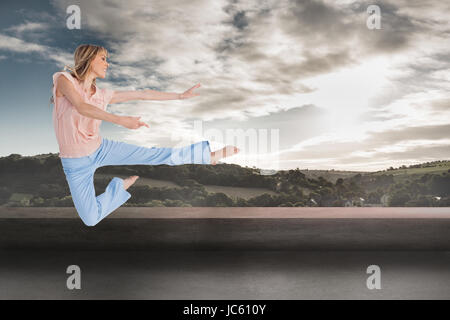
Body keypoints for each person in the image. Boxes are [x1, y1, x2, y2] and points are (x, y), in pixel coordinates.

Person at [51, 44, 240, 226]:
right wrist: (120, 120)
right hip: (75, 162)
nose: (107, 63)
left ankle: (207, 155)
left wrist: (180, 96)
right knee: (90, 219)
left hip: (101, 148)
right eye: (103, 58)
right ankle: (117, 189)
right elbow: (82, 107)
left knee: (157, 155)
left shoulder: (102, 94)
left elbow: (144, 94)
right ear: (89, 58)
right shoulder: (64, 79)